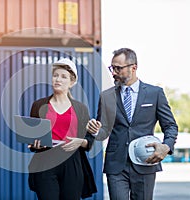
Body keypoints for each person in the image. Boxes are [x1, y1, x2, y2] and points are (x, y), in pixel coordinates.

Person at [86, 48, 178, 200]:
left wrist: (166, 146)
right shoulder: (106, 96)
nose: (113, 72)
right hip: (116, 164)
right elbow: (104, 131)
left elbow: (170, 126)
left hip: (145, 161)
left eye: (118, 68)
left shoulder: (155, 93)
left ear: (133, 67)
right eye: (112, 68)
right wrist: (95, 131)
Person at [27, 58, 97, 200]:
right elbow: (32, 137)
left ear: (72, 82)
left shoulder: (80, 108)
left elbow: (89, 139)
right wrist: (34, 144)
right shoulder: (39, 105)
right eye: (55, 75)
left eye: (63, 77)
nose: (58, 79)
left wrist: (81, 142)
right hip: (45, 162)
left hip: (72, 162)